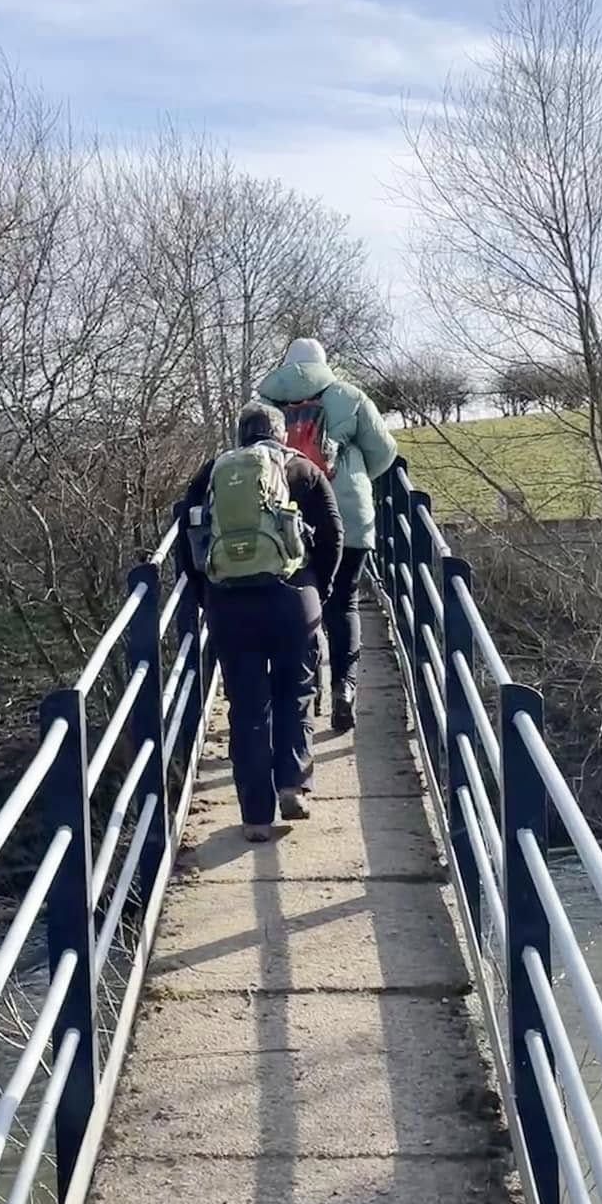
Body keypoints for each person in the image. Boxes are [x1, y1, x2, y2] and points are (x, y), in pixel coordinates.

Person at [179, 400, 343, 844]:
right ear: (281, 433)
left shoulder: (212, 472)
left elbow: (186, 537)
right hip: (293, 601)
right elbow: (333, 532)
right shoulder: (301, 469)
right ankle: (292, 783)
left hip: (230, 605)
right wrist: (319, 590)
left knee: (248, 708)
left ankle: (255, 817)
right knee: (296, 691)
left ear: (239, 436)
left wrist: (204, 597)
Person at [257, 336, 398, 733]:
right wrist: (355, 479)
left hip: (286, 518)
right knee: (345, 601)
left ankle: (308, 686)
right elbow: (385, 451)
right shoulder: (350, 396)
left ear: (287, 364)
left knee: (299, 601)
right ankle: (345, 688)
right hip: (349, 515)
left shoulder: (268, 403)